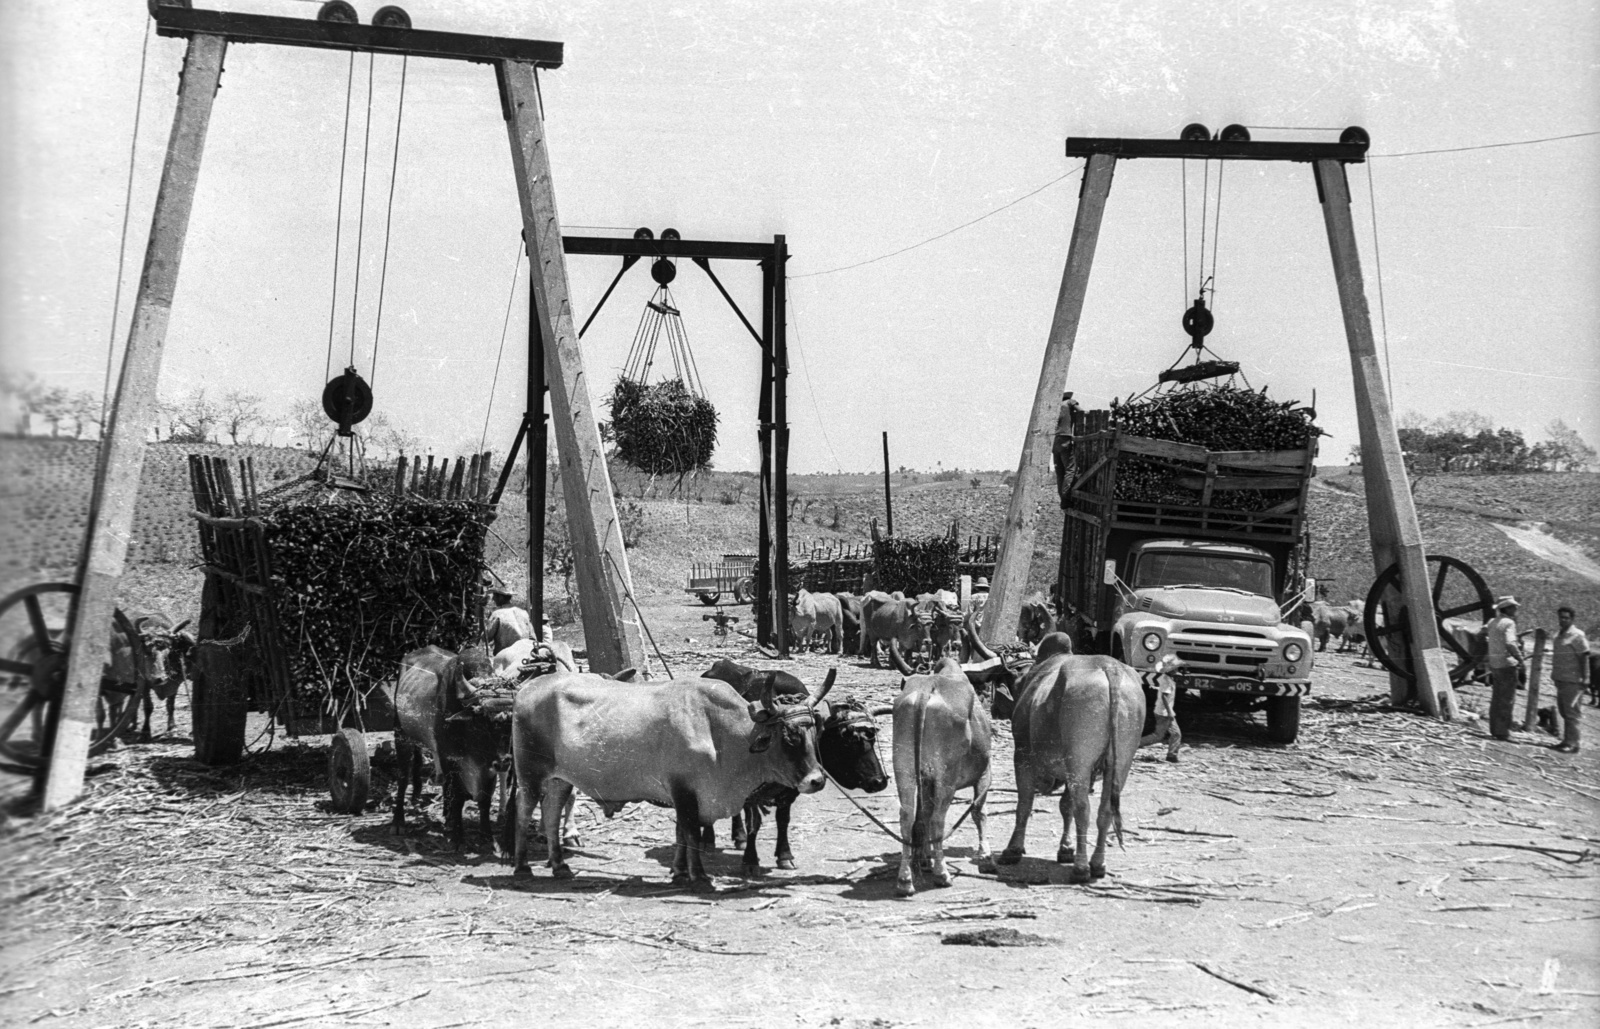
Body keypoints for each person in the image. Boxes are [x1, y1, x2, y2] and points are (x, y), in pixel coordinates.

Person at [1550, 605, 1590, 754]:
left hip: (1573, 680)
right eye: (1561, 617)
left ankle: (1573, 744)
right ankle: (1567, 740)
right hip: (1560, 678)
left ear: (1572, 619)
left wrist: (1585, 677)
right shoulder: (1559, 635)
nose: (1563, 620)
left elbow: (1584, 656)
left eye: (1566, 618)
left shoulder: (1577, 635)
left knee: (1572, 712)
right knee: (1564, 711)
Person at [1485, 596, 1525, 740]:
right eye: (1513, 607)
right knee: (1507, 699)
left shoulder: (1492, 622)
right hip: (1507, 665)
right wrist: (1520, 658)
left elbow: (1483, 634)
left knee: (1496, 697)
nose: (1515, 609)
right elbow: (1510, 643)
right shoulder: (1509, 623)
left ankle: (1494, 729)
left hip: (1494, 664)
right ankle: (1502, 732)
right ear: (1507, 608)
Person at [483, 589, 534, 654]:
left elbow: (486, 637)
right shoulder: (524, 613)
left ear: (501, 597)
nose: (493, 598)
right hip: (525, 653)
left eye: (494, 596)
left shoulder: (497, 614)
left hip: (505, 656)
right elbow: (532, 637)